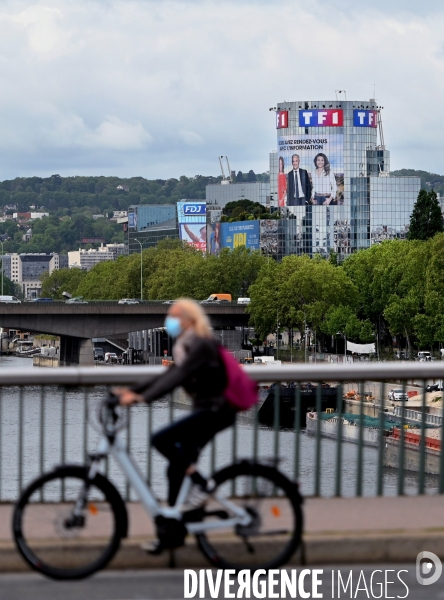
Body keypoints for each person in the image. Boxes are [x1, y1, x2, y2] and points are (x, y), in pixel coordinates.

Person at [113, 299, 237, 551]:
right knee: (174, 469)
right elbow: (168, 374)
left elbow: (178, 376)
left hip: (216, 411)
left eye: (174, 316)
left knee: (160, 439)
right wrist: (131, 391)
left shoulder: (200, 345)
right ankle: (172, 533)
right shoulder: (187, 345)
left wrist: (142, 398)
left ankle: (203, 484)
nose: (169, 321)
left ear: (189, 320)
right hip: (208, 410)